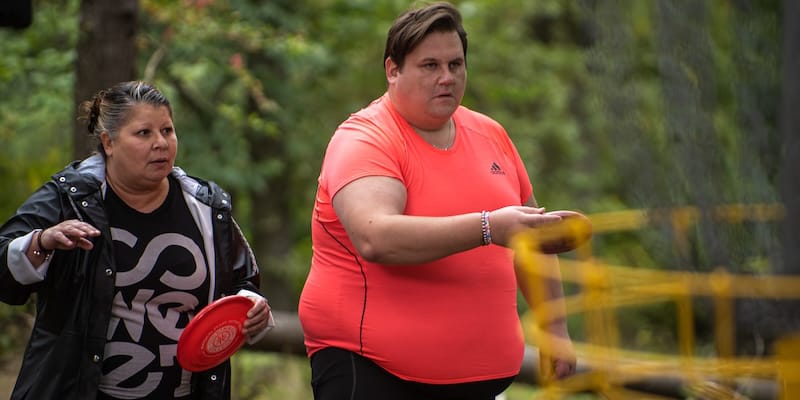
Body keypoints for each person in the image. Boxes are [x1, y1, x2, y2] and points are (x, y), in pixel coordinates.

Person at [298, 2, 576, 400]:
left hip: (480, 380)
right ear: (393, 70)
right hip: (372, 369)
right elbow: (376, 237)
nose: (446, 78)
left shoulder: (490, 133)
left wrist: (555, 330)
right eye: (430, 66)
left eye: (455, 65)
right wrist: (489, 227)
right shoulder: (364, 139)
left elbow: (533, 237)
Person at [0, 80, 274, 400]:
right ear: (109, 142)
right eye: (144, 133)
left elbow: (243, 284)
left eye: (168, 131)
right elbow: (4, 265)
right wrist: (42, 241)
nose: (161, 143)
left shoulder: (208, 207)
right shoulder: (70, 197)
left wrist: (253, 309)